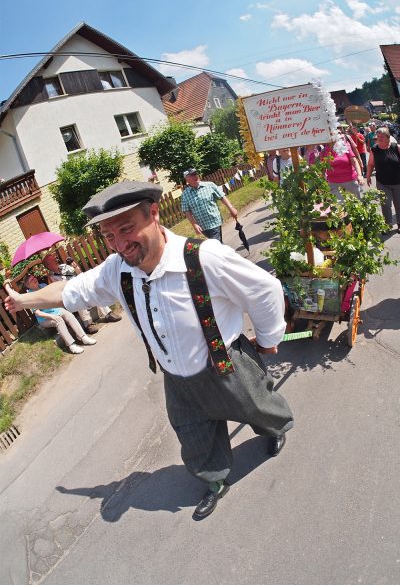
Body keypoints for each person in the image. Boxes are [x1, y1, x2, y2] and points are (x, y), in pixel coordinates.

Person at [5, 180, 293, 520]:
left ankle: (275, 430)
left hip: (227, 364)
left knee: (259, 407)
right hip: (178, 380)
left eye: (126, 229)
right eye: (109, 237)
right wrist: (24, 299)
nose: (119, 244)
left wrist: (269, 337)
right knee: (194, 434)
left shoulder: (204, 257)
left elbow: (264, 289)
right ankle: (215, 482)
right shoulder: (117, 270)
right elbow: (73, 291)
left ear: (154, 214)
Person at [42, 254, 121, 332]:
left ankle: (108, 314)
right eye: (53, 259)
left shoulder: (64, 266)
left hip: (80, 286)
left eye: (55, 258)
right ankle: (88, 324)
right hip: (70, 294)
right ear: (48, 265)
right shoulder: (51, 277)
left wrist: (75, 266)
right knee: (77, 296)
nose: (56, 259)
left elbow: (79, 273)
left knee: (91, 288)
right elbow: (59, 291)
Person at [23, 273, 97, 354]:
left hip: (56, 310)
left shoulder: (43, 285)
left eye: (34, 277)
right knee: (59, 320)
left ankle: (83, 337)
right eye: (31, 280)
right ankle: (71, 345)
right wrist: (52, 316)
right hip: (45, 318)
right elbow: (37, 313)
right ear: (28, 285)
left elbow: (55, 296)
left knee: (68, 314)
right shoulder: (29, 296)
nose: (34, 279)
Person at [181, 168, 238, 243]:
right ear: (187, 179)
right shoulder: (185, 194)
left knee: (215, 244)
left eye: (196, 174)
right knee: (218, 244)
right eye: (192, 175)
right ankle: (226, 253)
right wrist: (194, 225)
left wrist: (231, 208)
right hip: (203, 226)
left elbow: (222, 197)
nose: (196, 176)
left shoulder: (210, 185)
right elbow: (186, 211)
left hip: (215, 221)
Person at [366, 127, 400, 233]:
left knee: (399, 204)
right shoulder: (374, 149)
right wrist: (368, 176)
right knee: (385, 204)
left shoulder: (396, 147)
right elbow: (371, 164)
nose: (379, 138)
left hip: (398, 182)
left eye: (382, 137)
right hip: (382, 182)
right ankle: (388, 225)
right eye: (378, 137)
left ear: (388, 138)